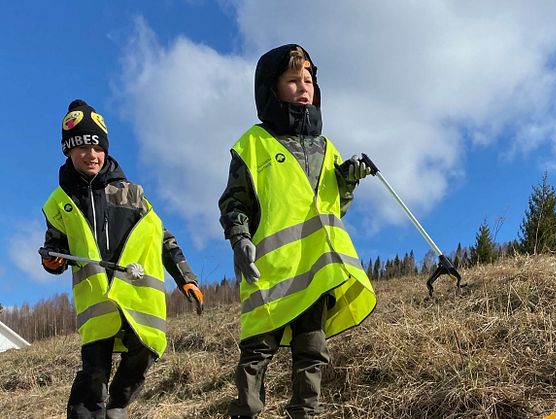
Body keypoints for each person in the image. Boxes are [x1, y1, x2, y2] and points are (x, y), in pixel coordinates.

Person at [219, 44, 377, 419]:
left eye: (308, 80)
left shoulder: (328, 148)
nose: (304, 87)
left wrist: (348, 183)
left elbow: (334, 209)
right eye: (293, 80)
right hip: (269, 271)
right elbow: (234, 202)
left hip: (316, 272)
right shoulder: (252, 144)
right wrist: (240, 239)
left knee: (312, 351)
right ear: (272, 90)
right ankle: (245, 412)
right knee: (257, 352)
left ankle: (306, 413)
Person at [40, 99, 205, 419]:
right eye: (82, 148)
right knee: (93, 375)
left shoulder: (131, 194)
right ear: (68, 151)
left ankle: (119, 404)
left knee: (143, 352)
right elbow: (54, 248)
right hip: (96, 305)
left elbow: (163, 239)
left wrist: (186, 278)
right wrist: (51, 262)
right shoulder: (59, 203)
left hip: (137, 297)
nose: (91, 155)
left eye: (98, 147)